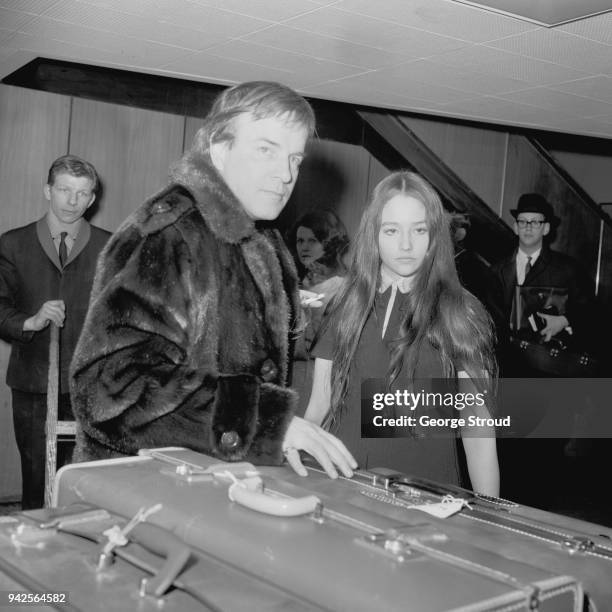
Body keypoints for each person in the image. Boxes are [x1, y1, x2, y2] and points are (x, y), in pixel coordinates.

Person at [70, 81, 356, 480]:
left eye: (295, 158)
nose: (286, 173)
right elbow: (110, 394)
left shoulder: (266, 243)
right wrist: (265, 420)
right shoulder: (169, 233)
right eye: (266, 150)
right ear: (219, 150)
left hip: (217, 490)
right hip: (146, 498)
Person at [305, 171, 500, 496]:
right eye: (392, 230)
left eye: (419, 230)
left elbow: (477, 428)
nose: (406, 244)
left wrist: (492, 520)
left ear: (434, 235)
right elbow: (319, 405)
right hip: (345, 486)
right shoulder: (346, 304)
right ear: (374, 234)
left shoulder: (460, 311)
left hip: (428, 496)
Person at [0, 154, 111, 509]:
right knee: (38, 478)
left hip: (90, 385)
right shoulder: (13, 244)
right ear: (48, 190)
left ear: (92, 198)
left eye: (82, 193)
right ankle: (34, 554)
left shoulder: (110, 247)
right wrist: (28, 322)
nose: (72, 201)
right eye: (64, 189)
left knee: (81, 482)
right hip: (33, 382)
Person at [493, 193, 594, 374]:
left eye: (536, 222)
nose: (528, 227)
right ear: (515, 227)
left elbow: (592, 313)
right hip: (506, 367)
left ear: (546, 228)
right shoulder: (497, 270)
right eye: (523, 221)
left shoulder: (568, 269)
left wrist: (564, 320)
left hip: (548, 368)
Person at [287, 210, 349, 415]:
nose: (304, 247)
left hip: (321, 383)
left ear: (329, 244)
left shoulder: (340, 287)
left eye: (312, 240)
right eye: (300, 240)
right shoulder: (302, 282)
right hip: (294, 382)